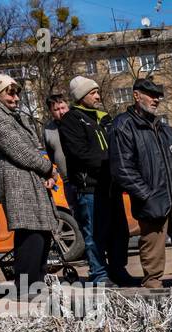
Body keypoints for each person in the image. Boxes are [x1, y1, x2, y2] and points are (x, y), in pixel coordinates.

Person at [109, 77, 172, 289]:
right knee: (152, 254)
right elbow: (122, 169)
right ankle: (153, 289)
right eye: (151, 95)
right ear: (136, 95)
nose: (156, 100)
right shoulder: (123, 125)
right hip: (152, 202)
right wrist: (147, 195)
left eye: (158, 96)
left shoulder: (162, 127)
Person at [0, 74, 58, 301]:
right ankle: (26, 286)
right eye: (10, 92)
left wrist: (48, 171)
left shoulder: (11, 114)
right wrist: (48, 168)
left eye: (17, 92)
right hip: (16, 176)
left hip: (29, 174)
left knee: (41, 231)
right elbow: (18, 149)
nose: (15, 97)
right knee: (29, 230)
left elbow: (31, 147)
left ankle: (37, 283)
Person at [58, 76, 134, 288]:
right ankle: (99, 273)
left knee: (120, 231)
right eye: (93, 93)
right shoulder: (71, 120)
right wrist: (110, 162)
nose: (98, 96)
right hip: (89, 186)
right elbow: (79, 153)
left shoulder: (103, 118)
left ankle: (118, 269)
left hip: (111, 185)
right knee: (94, 232)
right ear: (81, 96)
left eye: (97, 92)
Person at [43, 94, 70, 199]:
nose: (61, 112)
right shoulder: (48, 130)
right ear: (51, 111)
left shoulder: (77, 123)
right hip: (66, 180)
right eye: (57, 109)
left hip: (84, 179)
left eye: (63, 107)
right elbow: (51, 156)